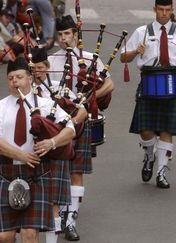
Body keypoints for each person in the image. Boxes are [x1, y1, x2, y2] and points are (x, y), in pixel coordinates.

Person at [48, 14, 114, 241]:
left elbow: (110, 84)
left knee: (76, 171)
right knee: (59, 170)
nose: (64, 39)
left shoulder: (88, 58)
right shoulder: (52, 61)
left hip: (80, 119)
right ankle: (59, 214)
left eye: (68, 34)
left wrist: (87, 99)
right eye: (61, 35)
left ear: (75, 35)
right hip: (56, 123)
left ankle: (71, 221)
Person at [120, 0, 176, 189]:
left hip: (172, 82)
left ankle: (161, 172)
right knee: (145, 130)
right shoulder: (142, 32)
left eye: (167, 10)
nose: (164, 13)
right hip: (148, 81)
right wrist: (136, 52)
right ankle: (148, 154)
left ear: (172, 10)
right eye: (160, 10)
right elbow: (123, 57)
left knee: (166, 130)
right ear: (154, 10)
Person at [0, 57, 75, 243]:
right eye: (10, 78)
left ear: (30, 79)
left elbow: (70, 129)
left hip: (37, 174)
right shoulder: (1, 107)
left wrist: (52, 142)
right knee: (5, 236)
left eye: (18, 76)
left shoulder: (46, 105)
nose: (14, 81)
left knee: (29, 233)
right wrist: (20, 155)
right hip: (6, 172)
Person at [30, 46, 87, 243]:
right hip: (32, 150)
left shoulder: (59, 88)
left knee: (53, 200)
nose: (36, 72)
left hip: (56, 148)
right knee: (32, 203)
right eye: (33, 68)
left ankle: (68, 223)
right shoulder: (25, 92)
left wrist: (69, 126)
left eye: (39, 67)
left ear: (46, 67)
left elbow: (82, 111)